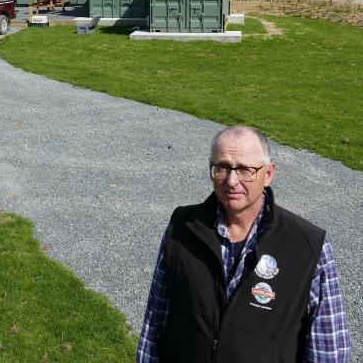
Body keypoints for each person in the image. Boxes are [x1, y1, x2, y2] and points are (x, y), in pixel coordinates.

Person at [137, 126, 351, 363]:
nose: (231, 181)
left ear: (268, 174)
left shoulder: (309, 246)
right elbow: (155, 324)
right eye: (222, 168)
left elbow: (330, 351)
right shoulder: (182, 228)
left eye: (245, 169)